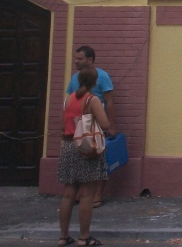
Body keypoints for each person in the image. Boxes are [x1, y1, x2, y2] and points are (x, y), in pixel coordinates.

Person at [59, 67, 109, 246]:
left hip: (68, 147)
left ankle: (63, 236)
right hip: (86, 148)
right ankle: (84, 236)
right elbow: (104, 123)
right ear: (95, 83)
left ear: (78, 80)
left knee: (68, 195)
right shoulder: (91, 99)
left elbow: (62, 125)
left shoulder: (67, 100)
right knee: (87, 195)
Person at [66, 46, 116, 208]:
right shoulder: (74, 78)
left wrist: (111, 126)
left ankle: (97, 194)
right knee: (81, 160)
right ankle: (81, 193)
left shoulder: (102, 76)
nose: (76, 61)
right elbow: (70, 102)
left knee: (99, 159)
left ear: (90, 59)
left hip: (96, 125)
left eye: (79, 58)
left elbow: (109, 102)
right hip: (78, 127)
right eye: (75, 58)